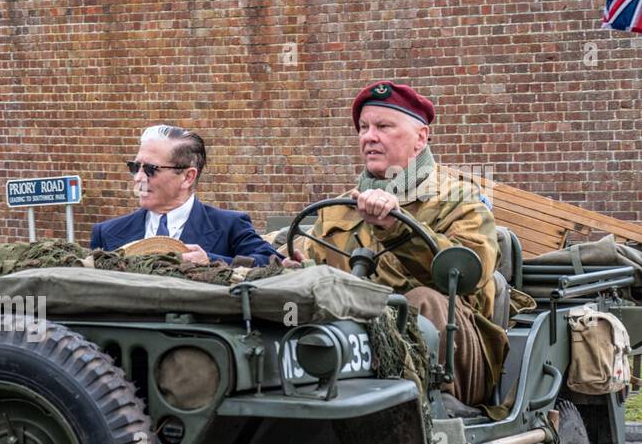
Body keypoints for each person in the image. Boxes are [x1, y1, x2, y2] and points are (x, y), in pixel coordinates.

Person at [288, 82, 505, 406]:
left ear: (420, 137)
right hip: (352, 347)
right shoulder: (339, 207)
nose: (369, 137)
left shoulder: (459, 199)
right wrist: (293, 267)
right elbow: (307, 257)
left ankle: (431, 406)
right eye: (364, 127)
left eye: (384, 127)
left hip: (455, 354)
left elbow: (469, 272)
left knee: (421, 302)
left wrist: (397, 229)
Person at [90, 125, 281, 267]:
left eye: (150, 169)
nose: (138, 177)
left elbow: (272, 264)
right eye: (134, 167)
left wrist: (211, 260)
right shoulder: (106, 233)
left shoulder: (229, 225)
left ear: (188, 177)